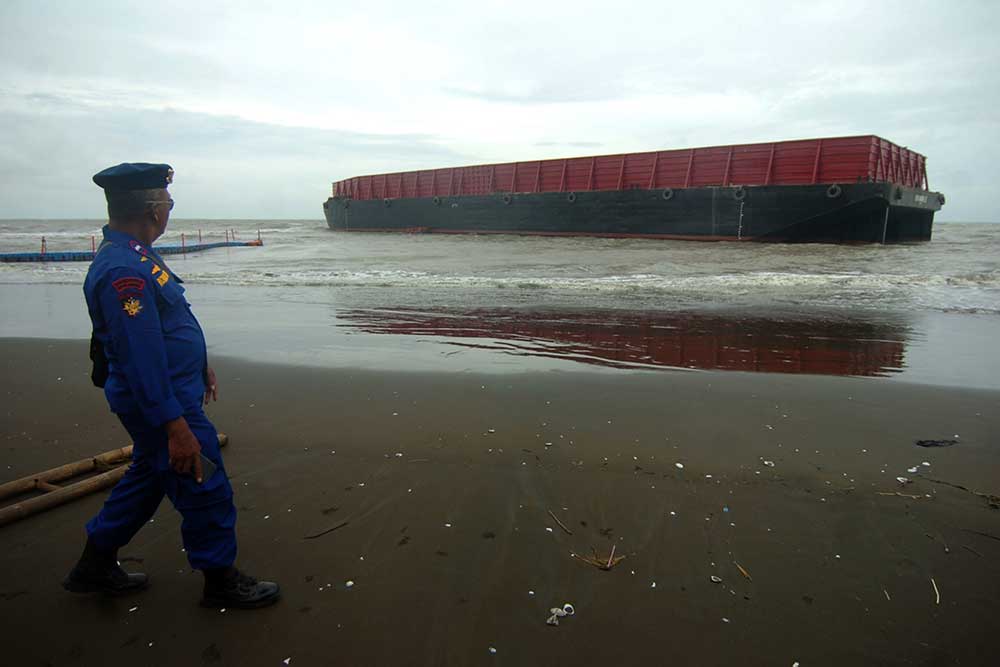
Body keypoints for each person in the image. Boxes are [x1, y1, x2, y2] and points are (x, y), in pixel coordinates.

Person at [63, 163, 280, 609]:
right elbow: (139, 357)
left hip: (167, 392)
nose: (170, 211)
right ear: (153, 209)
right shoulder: (124, 270)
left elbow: (162, 328)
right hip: (160, 403)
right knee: (204, 482)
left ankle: (94, 564)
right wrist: (174, 426)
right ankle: (220, 579)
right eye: (168, 203)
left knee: (148, 477)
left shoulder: (136, 254)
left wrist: (200, 365)